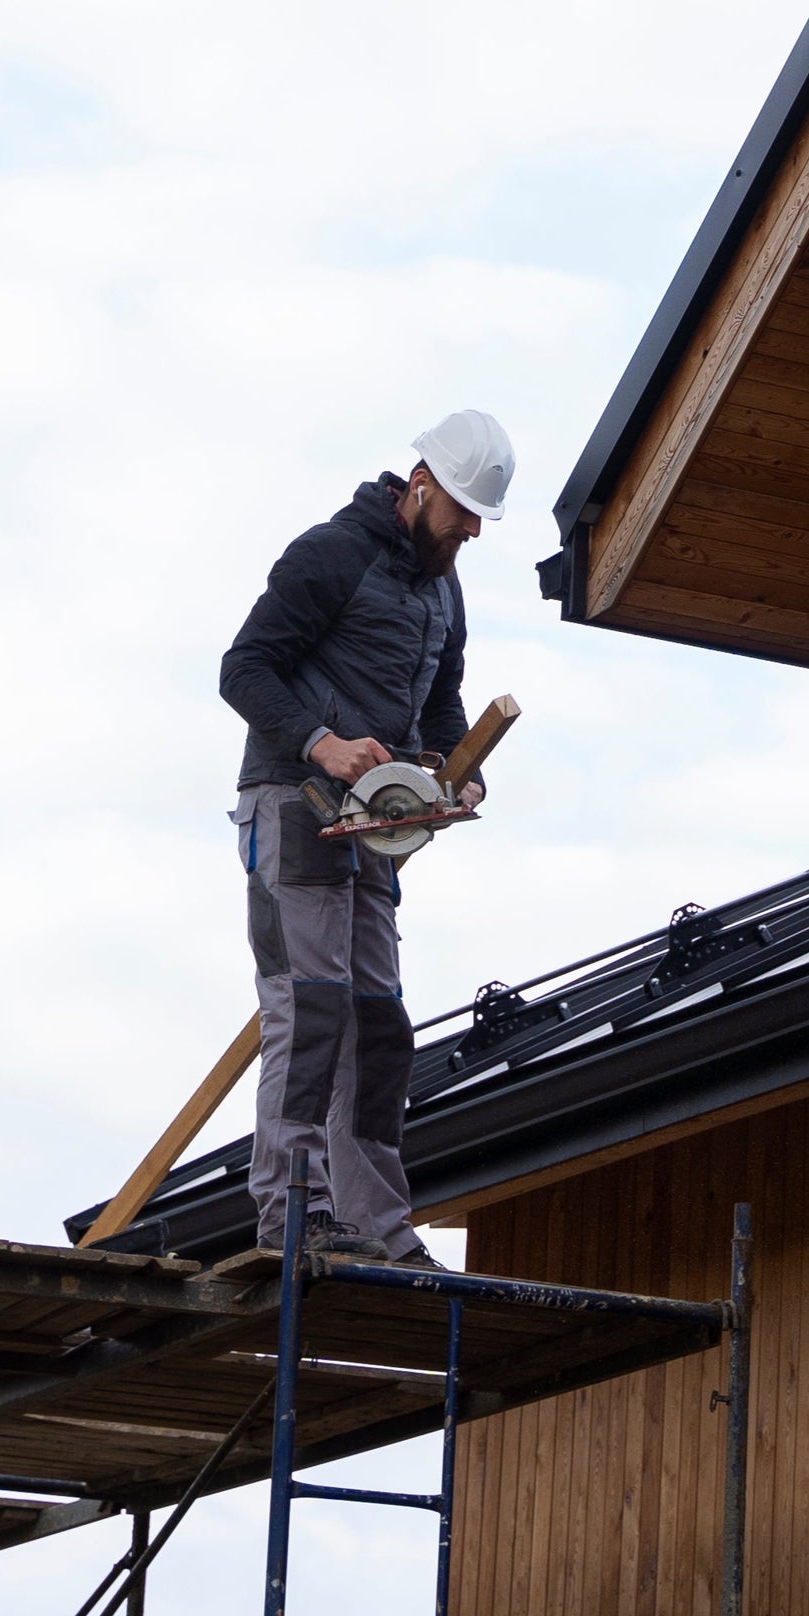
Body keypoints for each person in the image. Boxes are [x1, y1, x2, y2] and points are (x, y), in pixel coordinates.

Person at [216, 409, 514, 1262]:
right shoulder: (329, 555)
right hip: (295, 806)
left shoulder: (442, 587)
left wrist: (450, 770)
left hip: (375, 831)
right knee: (310, 1010)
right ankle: (294, 1211)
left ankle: (379, 1226)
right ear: (419, 488)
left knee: (379, 1024)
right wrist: (325, 743)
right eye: (461, 511)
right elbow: (244, 670)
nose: (471, 530)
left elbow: (442, 706)